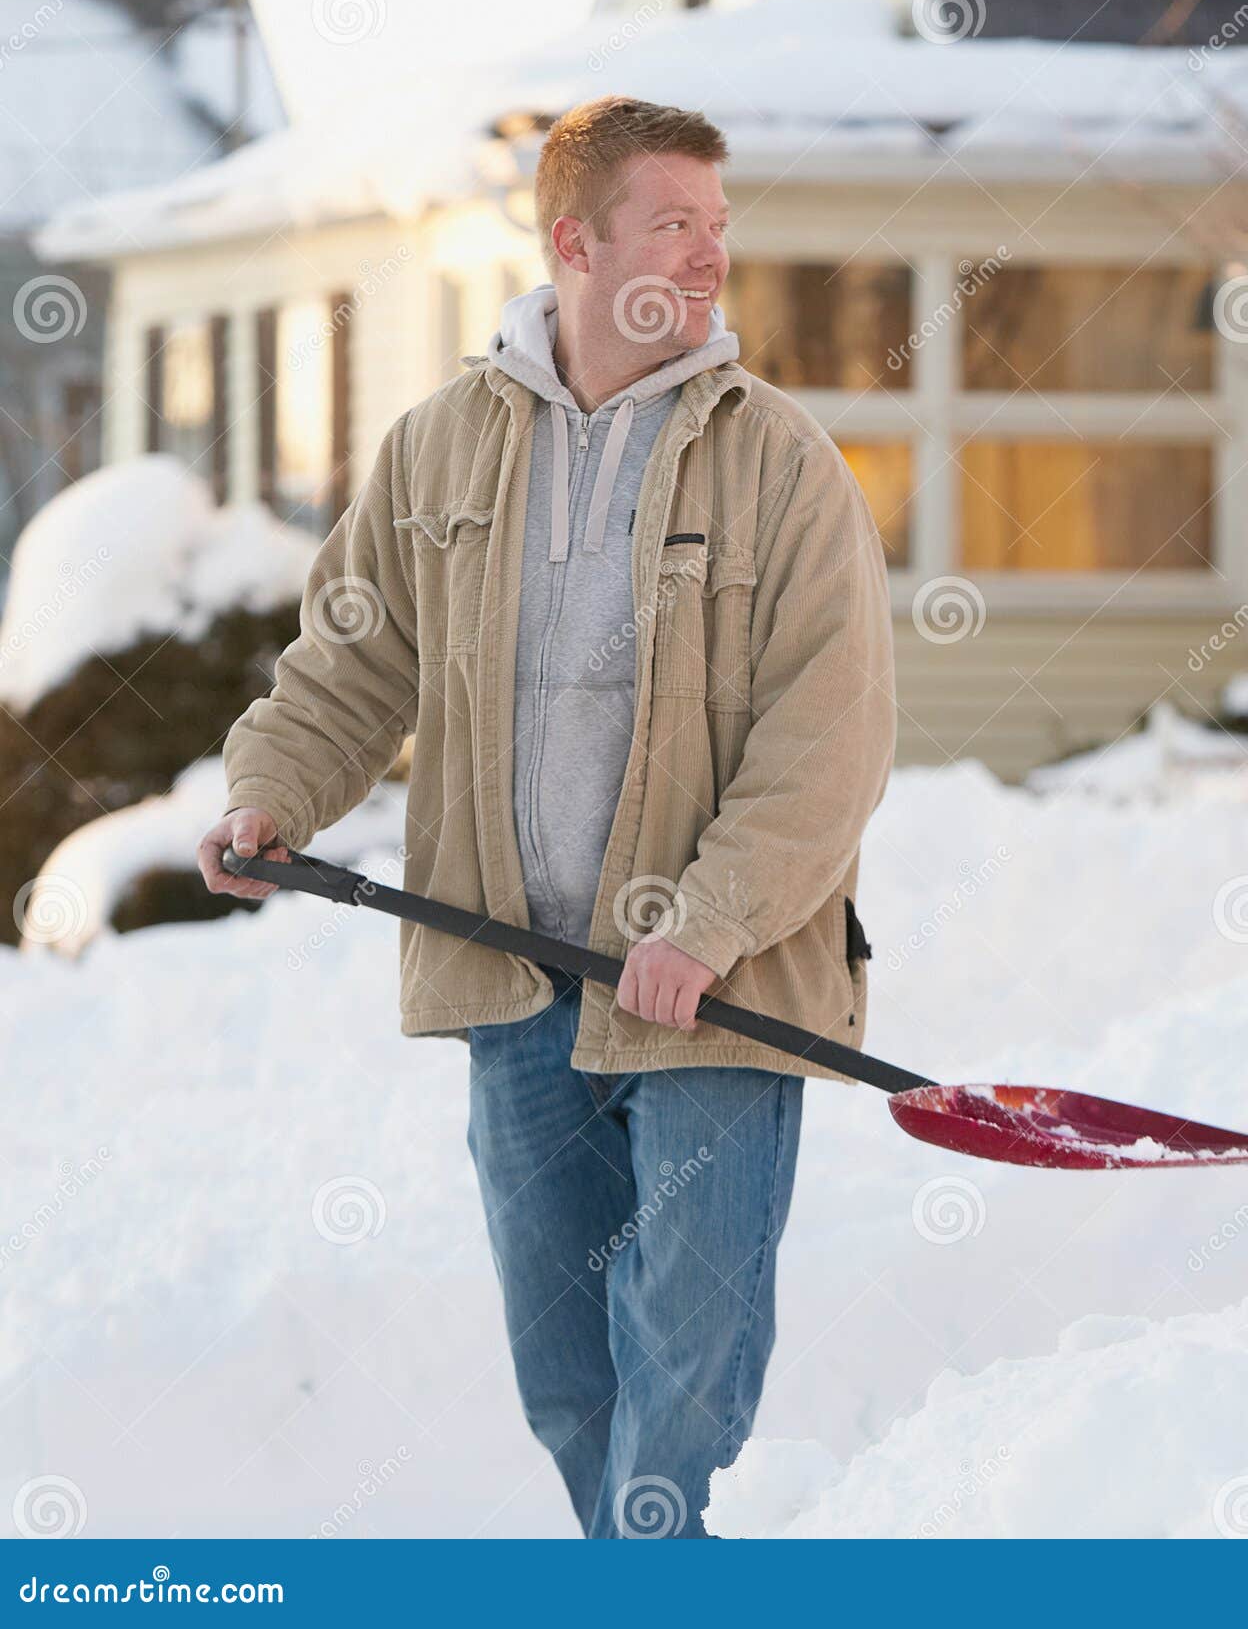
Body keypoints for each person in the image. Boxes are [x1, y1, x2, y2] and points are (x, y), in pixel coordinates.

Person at [197, 94, 897, 1538]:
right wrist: (270, 794)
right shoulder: (443, 447)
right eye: (672, 223)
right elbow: (353, 656)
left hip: (715, 991)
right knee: (567, 1370)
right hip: (514, 970)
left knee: (688, 1357)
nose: (708, 255)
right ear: (576, 241)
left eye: (717, 224)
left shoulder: (778, 462)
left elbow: (829, 735)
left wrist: (704, 924)